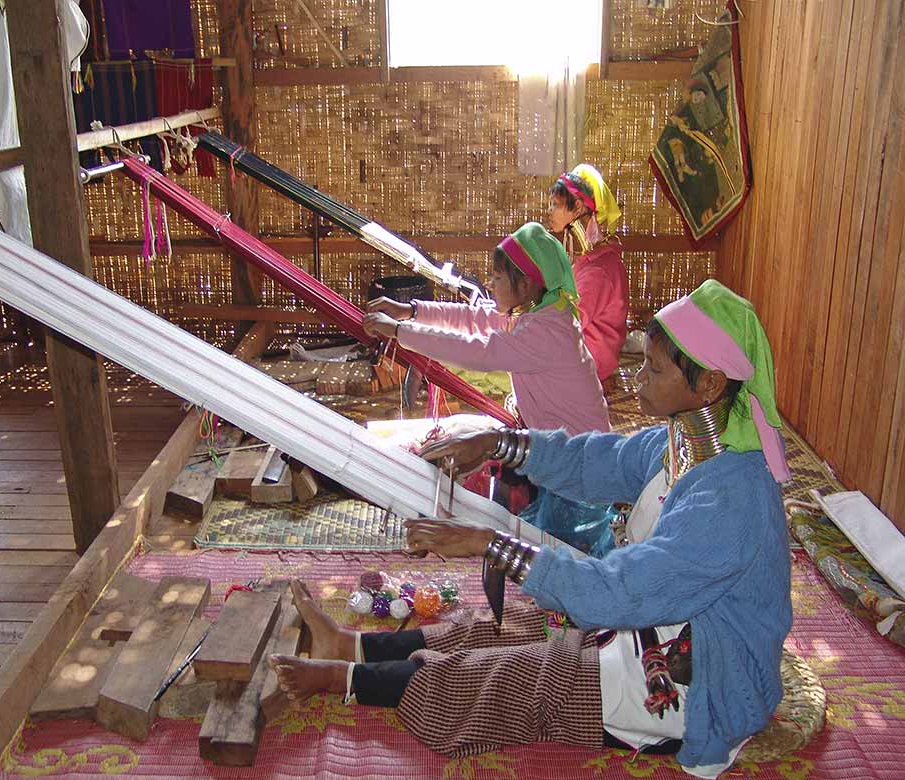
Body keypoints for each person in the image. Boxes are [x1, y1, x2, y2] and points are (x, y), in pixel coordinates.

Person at [271, 280, 793, 779]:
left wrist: (491, 544)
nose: (638, 381)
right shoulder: (680, 446)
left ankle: (346, 681)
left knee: (529, 676)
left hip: (698, 683)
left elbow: (619, 592)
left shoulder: (734, 499)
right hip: (651, 626)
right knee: (512, 624)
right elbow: (594, 460)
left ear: (709, 383)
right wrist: (498, 442)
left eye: (654, 371)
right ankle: (348, 645)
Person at [363, 221, 615, 554]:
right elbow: (474, 319)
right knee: (551, 543)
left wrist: (400, 332)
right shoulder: (535, 312)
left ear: (524, 284)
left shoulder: (548, 331)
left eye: (497, 278)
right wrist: (412, 311)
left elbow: (477, 350)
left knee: (571, 555)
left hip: (581, 466)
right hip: (563, 457)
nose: (491, 285)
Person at [548, 164, 629, 387]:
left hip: (588, 366)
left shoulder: (600, 270)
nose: (550, 212)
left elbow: (566, 320)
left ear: (578, 208)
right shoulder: (589, 260)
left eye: (556, 205)